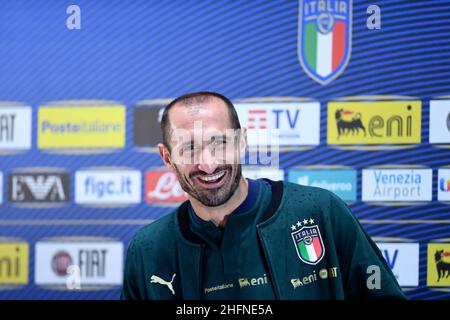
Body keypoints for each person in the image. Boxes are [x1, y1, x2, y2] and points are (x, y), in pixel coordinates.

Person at [121, 91, 406, 300]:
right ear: (167, 158)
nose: (208, 163)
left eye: (219, 143)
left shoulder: (321, 213)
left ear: (242, 142)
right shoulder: (147, 250)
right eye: (189, 148)